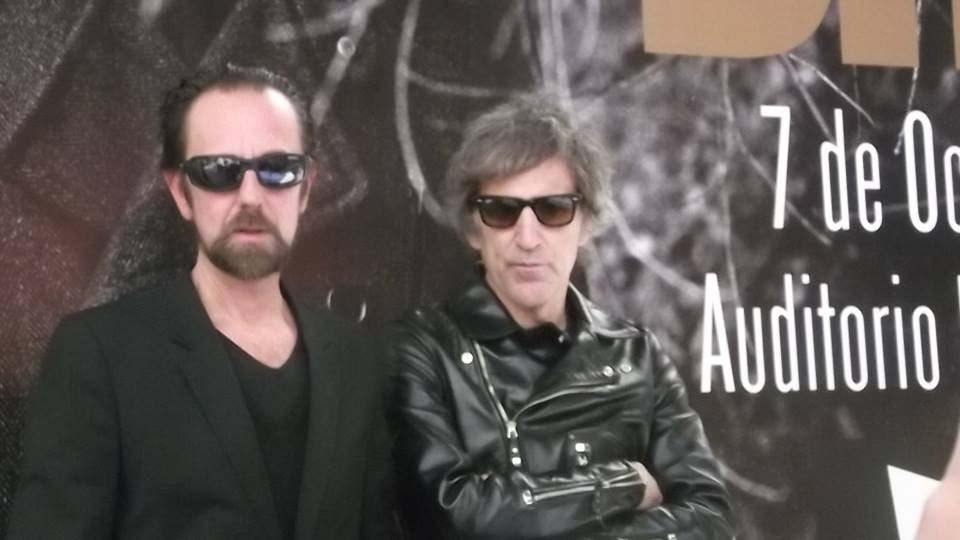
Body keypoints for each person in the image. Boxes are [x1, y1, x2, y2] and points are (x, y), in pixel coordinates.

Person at [8, 64, 394, 540]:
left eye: (278, 169)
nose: (251, 196)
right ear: (181, 192)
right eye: (219, 171)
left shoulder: (355, 358)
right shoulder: (100, 355)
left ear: (306, 188)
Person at [389, 95, 734, 539]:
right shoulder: (421, 350)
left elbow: (709, 518)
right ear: (474, 228)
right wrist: (621, 484)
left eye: (553, 209)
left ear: (586, 222)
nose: (528, 238)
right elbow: (454, 515)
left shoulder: (635, 355)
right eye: (502, 211)